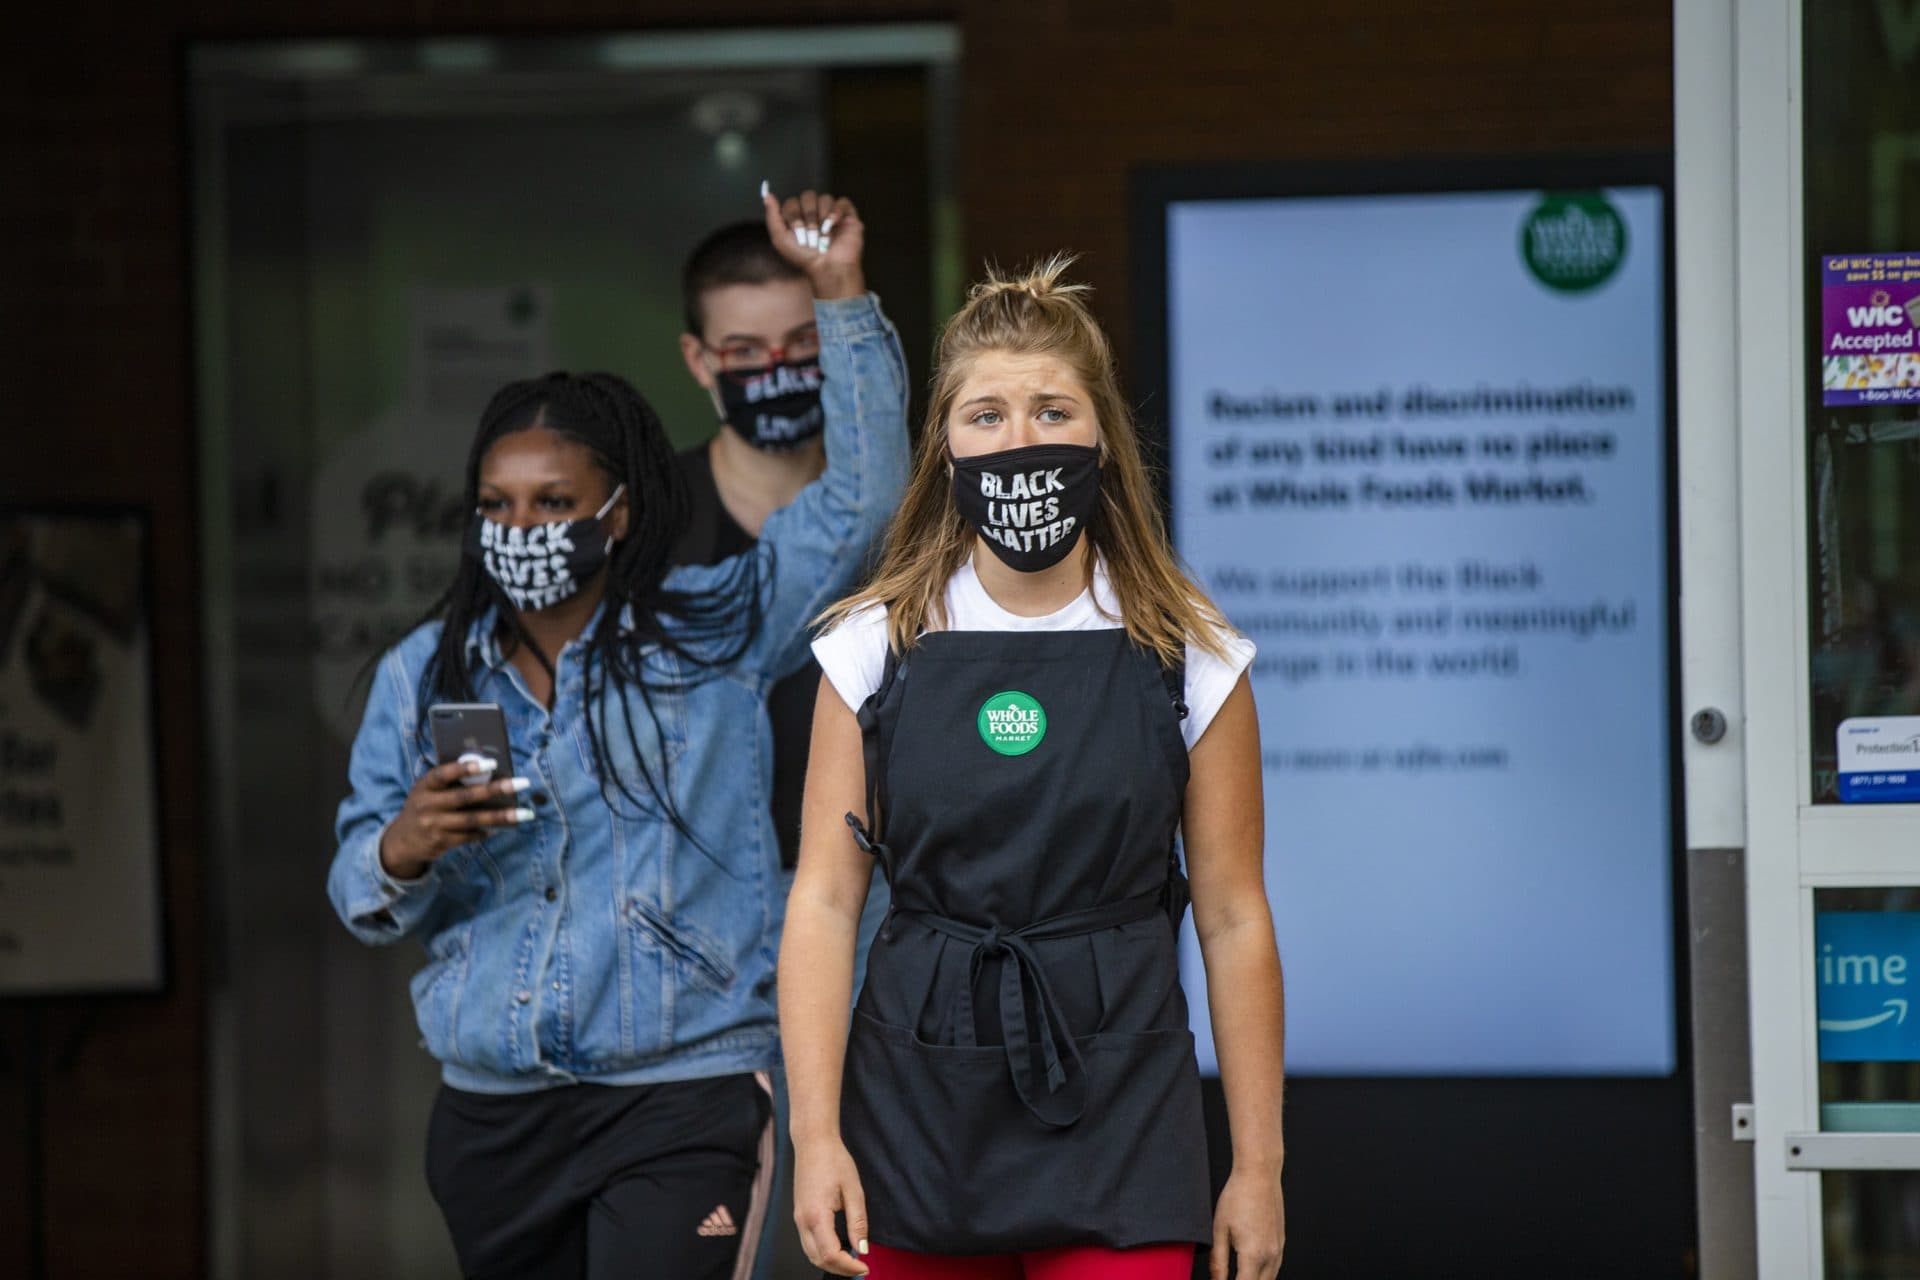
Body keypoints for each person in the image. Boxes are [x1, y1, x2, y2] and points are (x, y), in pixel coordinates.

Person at [326, 188, 907, 1280]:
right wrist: (403, 847)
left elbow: (862, 502)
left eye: (555, 501)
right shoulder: (422, 674)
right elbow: (359, 882)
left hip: (681, 1087)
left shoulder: (711, 629)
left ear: (620, 512)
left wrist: (837, 288)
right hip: (493, 1107)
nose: (523, 528)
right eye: (497, 505)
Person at [778, 258, 1287, 1280]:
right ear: (946, 445)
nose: (1021, 440)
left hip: (1125, 1094)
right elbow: (827, 902)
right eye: (987, 415)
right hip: (915, 1094)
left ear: (1103, 438)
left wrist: (1258, 1166)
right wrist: (816, 1137)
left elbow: (1234, 915)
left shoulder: (1192, 651)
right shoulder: (872, 644)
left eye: (1052, 410)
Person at [669, 202, 896, 1280]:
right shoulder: (645, 520)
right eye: (746, 352)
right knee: (722, 1210)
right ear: (697, 360)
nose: (776, 371)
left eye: (802, 347)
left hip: (878, 898)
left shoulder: (894, 517)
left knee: (873, 1209)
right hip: (694, 913)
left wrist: (843, 285)